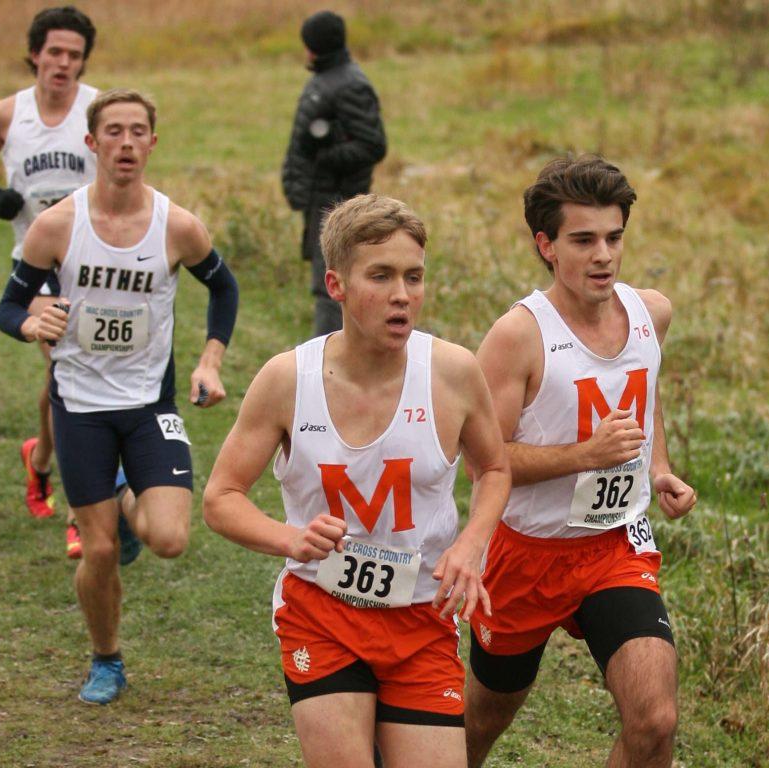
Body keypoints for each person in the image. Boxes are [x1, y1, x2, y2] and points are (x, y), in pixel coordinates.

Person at [203, 194, 509, 767]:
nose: (402, 295)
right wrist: (289, 539)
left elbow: (494, 468)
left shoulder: (453, 373)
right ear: (336, 285)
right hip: (323, 610)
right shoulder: (286, 379)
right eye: (382, 276)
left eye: (414, 277)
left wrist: (472, 544)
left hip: (422, 617)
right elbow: (220, 498)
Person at [0, 88, 240, 705]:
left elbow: (224, 288)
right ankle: (106, 660)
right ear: (92, 143)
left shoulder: (177, 226)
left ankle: (130, 492)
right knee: (98, 549)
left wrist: (210, 358)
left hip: (150, 405)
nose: (126, 143)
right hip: (78, 407)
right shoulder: (57, 226)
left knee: (170, 540)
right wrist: (32, 322)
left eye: (138, 132)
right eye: (114, 132)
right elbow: (7, 306)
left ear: (152, 143)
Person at [463, 155, 698, 768]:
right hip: (525, 554)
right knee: (483, 718)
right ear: (546, 245)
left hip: (615, 546)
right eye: (584, 240)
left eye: (614, 237)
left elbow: (644, 397)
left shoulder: (652, 313)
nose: (603, 256)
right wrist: (584, 456)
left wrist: (658, 468)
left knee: (655, 721)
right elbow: (482, 462)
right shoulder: (519, 336)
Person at [0, 6, 97, 556]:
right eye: (55, 52)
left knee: (67, 382)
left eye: (74, 55)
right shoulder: (6, 113)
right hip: (39, 266)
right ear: (35, 55)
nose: (63, 63)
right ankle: (80, 510)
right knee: (68, 377)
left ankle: (40, 458)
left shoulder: (98, 109)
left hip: (95, 265)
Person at [282, 9, 386, 338]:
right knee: (327, 284)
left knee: (331, 287)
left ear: (315, 46)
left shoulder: (350, 84)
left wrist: (325, 157)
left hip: (337, 204)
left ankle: (328, 369)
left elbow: (373, 146)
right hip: (321, 198)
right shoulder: (327, 78)